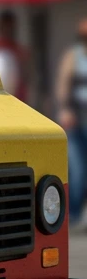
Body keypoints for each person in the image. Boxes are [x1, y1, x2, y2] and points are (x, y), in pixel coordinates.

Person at [55, 20, 87, 227]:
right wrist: (65, 110)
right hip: (76, 120)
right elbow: (63, 85)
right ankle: (73, 214)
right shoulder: (73, 56)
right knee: (78, 169)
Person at [0, 10, 30, 102]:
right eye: (5, 27)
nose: (7, 30)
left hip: (17, 98)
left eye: (10, 27)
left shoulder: (19, 50)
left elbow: (27, 74)